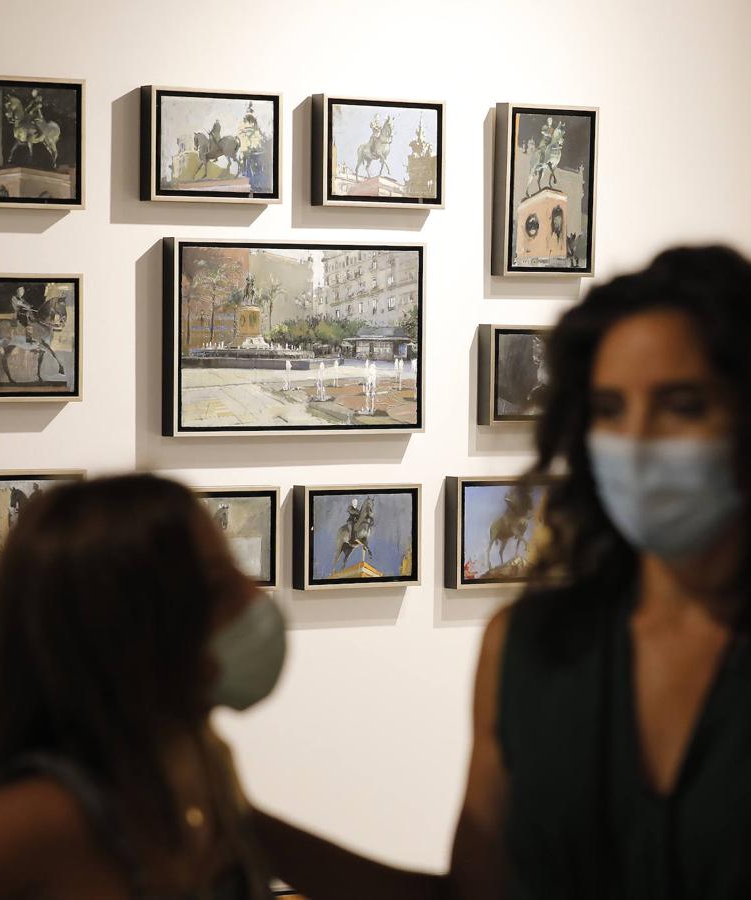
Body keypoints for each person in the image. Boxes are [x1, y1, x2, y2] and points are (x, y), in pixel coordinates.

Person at [252, 245, 751, 899]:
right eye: (608, 409)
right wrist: (235, 823)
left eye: (682, 405)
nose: (637, 441)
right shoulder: (530, 648)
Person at [0, 475, 286, 899]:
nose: (254, 597)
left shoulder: (199, 759)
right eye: (216, 584)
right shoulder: (54, 815)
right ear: (131, 626)